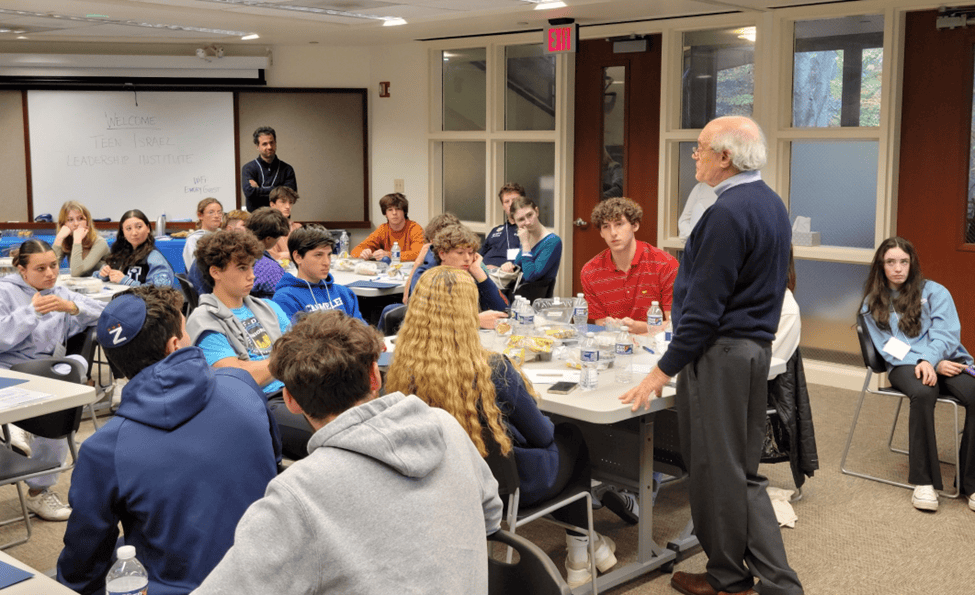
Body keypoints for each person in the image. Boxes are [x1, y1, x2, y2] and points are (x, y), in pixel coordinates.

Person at [191, 310, 503, 595]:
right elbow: (491, 516)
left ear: (290, 400)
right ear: (375, 375)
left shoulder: (298, 493)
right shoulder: (445, 426)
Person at [621, 116, 803, 595]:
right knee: (738, 473)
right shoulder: (770, 203)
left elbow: (702, 312)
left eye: (701, 149)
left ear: (725, 157)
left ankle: (750, 582)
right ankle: (743, 576)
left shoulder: (725, 213)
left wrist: (660, 372)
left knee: (716, 474)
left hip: (720, 355)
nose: (694, 156)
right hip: (750, 353)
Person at [386, 266, 617, 588]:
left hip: (446, 485)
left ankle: (590, 544)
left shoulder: (402, 370)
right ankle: (580, 551)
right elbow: (543, 435)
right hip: (505, 488)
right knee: (569, 435)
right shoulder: (492, 369)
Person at [57, 286, 277, 595]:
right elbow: (274, 471)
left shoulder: (104, 449)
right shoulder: (243, 386)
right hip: (274, 573)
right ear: (175, 345)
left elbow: (83, 561)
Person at [860, 236, 975, 513]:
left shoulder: (936, 292)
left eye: (903, 261)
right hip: (903, 365)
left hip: (943, 358)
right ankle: (923, 482)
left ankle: (971, 482)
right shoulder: (871, 304)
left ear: (912, 264)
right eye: (890, 262)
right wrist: (927, 365)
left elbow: (946, 335)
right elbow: (889, 348)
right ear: (881, 266)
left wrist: (932, 359)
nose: (898, 268)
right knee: (924, 392)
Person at [0, 240, 105, 522]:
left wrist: (72, 307)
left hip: (46, 368)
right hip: (7, 367)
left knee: (60, 400)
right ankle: (12, 426)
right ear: (22, 270)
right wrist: (29, 313)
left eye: (54, 265)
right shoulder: (4, 292)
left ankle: (39, 491)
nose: (50, 273)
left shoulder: (59, 291)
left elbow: (106, 315)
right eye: (40, 268)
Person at [187, 229, 309, 461]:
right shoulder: (204, 320)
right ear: (216, 272)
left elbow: (303, 351)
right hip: (261, 403)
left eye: (252, 267)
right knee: (331, 433)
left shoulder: (268, 307)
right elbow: (240, 378)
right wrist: (287, 357)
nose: (252, 275)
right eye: (242, 268)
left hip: (298, 387)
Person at [580, 196, 679, 335]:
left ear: (635, 225)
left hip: (656, 346)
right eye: (606, 226)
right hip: (615, 344)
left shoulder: (665, 264)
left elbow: (675, 324)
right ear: (601, 233)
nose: (613, 233)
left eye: (619, 224)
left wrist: (641, 328)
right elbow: (601, 324)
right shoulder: (590, 272)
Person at [272, 225, 363, 322]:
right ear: (298, 257)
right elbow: (295, 336)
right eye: (318, 255)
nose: (327, 262)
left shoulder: (344, 294)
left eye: (329, 255)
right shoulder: (285, 298)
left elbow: (362, 333)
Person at [430, 224, 508, 329]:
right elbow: (432, 324)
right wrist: (475, 321)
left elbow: (504, 311)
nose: (467, 258)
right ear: (442, 254)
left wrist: (479, 273)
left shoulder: (472, 277)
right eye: (460, 252)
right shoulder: (432, 280)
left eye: (471, 253)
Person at [97, 209, 178, 289]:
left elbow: (162, 289)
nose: (134, 233)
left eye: (139, 227)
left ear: (148, 228)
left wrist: (126, 281)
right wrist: (104, 274)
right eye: (128, 228)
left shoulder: (154, 257)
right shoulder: (120, 253)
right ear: (123, 233)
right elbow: (96, 275)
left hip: (145, 301)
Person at [500, 196, 562, 288]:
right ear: (514, 221)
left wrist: (525, 244)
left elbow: (530, 276)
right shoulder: (525, 235)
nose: (528, 222)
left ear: (536, 211)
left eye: (530, 215)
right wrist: (508, 267)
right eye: (521, 219)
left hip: (535, 297)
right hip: (516, 294)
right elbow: (519, 267)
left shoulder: (553, 241)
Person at [403, 212, 461, 304]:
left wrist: (418, 263)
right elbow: (406, 298)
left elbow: (407, 299)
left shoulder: (432, 264)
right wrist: (418, 262)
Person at [351, 192, 424, 262]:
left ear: (404, 212)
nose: (394, 213)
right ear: (385, 213)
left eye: (398, 209)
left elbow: (419, 254)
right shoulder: (382, 229)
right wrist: (363, 253)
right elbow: (355, 251)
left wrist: (389, 255)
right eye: (390, 210)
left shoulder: (415, 228)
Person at [241, 126, 297, 212]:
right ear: (257, 146)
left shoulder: (287, 169)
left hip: (280, 218)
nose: (270, 147)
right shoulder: (248, 168)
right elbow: (249, 193)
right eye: (265, 144)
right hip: (256, 219)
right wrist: (279, 190)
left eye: (272, 143)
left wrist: (258, 189)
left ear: (276, 143)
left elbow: (290, 194)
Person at [52, 201, 110, 277]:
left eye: (80, 219)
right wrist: (58, 239)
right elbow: (50, 269)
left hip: (101, 286)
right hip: (78, 286)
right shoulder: (68, 240)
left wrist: (77, 240)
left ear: (87, 222)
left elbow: (76, 273)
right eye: (70, 220)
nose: (76, 223)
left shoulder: (100, 242)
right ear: (63, 224)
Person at [244, 207, 290, 299]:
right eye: (278, 237)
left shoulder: (237, 252)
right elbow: (282, 297)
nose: (278, 240)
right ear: (268, 239)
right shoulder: (270, 268)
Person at [480, 183, 524, 269]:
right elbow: (479, 257)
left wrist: (496, 270)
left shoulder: (529, 229)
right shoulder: (496, 230)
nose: (511, 204)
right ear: (503, 206)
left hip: (504, 276)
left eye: (515, 200)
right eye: (507, 201)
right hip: (482, 274)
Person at [182, 197, 224, 271]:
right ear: (200, 215)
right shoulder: (194, 239)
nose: (217, 216)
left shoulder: (224, 236)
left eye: (219, 212)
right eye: (211, 212)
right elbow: (194, 270)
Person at [267, 186, 302, 262]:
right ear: (272, 205)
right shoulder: (266, 228)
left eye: (291, 202)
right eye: (283, 202)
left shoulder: (298, 227)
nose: (288, 206)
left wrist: (282, 255)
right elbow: (271, 256)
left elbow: (306, 252)